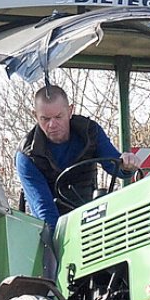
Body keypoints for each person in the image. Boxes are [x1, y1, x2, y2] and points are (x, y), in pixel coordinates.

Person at [14, 85, 122, 227]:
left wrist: (127, 165)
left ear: (70, 111)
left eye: (58, 117)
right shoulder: (27, 156)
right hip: (49, 226)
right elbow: (44, 210)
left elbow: (116, 166)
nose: (52, 124)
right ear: (35, 116)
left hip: (89, 216)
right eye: (45, 119)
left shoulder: (90, 133)